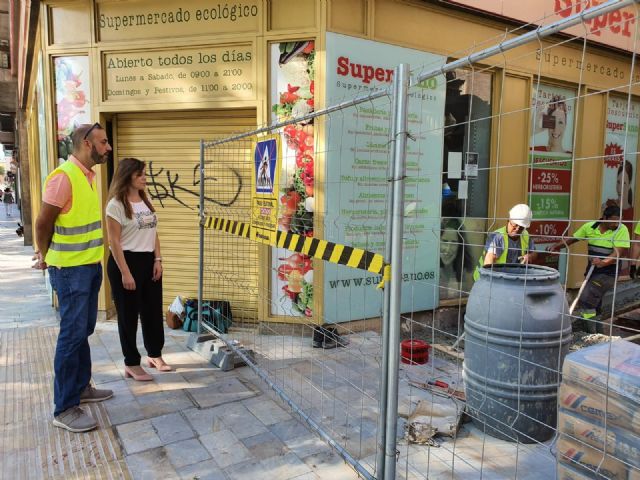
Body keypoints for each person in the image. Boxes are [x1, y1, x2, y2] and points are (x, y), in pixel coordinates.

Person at [33, 123, 113, 433]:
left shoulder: (87, 176)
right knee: (72, 334)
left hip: (88, 267)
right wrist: (44, 255)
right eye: (103, 142)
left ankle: (81, 388)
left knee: (83, 330)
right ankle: (65, 408)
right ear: (86, 143)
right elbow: (43, 223)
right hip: (69, 271)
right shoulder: (64, 177)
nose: (107, 147)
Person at [106, 157, 171, 381]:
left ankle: (154, 354)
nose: (145, 178)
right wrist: (125, 272)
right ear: (127, 176)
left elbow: (153, 232)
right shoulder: (115, 205)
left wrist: (158, 259)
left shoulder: (145, 199)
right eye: (140, 174)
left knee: (152, 311)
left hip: (148, 260)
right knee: (128, 315)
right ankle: (131, 363)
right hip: (126, 261)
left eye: (144, 174)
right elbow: (114, 242)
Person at [548, 205, 630, 332]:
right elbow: (573, 239)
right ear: (604, 218)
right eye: (613, 220)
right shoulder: (590, 227)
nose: (616, 224)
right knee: (595, 303)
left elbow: (618, 253)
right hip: (592, 270)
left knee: (586, 298)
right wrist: (557, 246)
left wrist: (603, 262)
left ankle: (590, 332)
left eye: (619, 221)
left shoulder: (621, 229)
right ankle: (599, 333)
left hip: (609, 273)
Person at [473, 204, 536, 281]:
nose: (517, 229)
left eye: (521, 227)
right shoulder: (497, 236)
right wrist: (491, 283)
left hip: (510, 280)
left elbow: (534, 253)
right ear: (508, 220)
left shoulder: (525, 235)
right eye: (515, 225)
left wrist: (529, 256)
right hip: (485, 279)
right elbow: (488, 262)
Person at [440, 218, 474, 297]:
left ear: (460, 246)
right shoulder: (430, 271)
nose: (448, 249)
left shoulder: (465, 272)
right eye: (444, 241)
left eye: (454, 242)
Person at [603, 160, 634, 232]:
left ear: (629, 184)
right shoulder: (608, 205)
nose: (619, 188)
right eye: (618, 182)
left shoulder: (633, 212)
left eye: (624, 183)